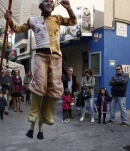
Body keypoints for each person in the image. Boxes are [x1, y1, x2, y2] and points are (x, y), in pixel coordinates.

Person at [5, 0, 77, 139]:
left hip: (56, 57)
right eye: (47, 1)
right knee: (39, 85)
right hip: (40, 56)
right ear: (40, 5)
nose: (50, 3)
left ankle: (47, 118)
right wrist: (9, 20)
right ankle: (33, 119)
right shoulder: (33, 20)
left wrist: (69, 8)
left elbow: (73, 21)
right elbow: (18, 29)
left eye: (51, 1)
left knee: (54, 87)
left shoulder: (57, 18)